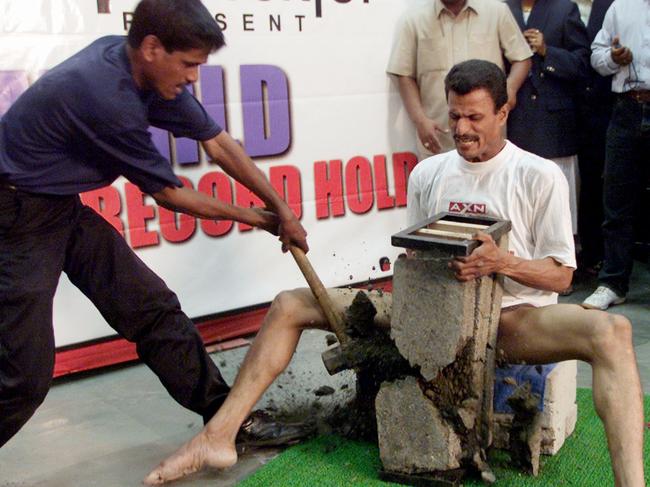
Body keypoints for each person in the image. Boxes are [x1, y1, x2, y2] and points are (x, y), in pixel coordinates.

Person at [143, 60, 645, 487]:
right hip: (424, 317)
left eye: (475, 117)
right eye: (454, 116)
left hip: (508, 320)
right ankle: (219, 436)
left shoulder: (539, 175)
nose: (462, 128)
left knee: (613, 330)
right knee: (290, 303)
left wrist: (502, 262)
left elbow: (560, 277)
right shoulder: (429, 173)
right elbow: (412, 258)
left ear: (504, 111)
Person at [0, 0, 310, 450]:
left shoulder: (142, 73)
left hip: (57, 206)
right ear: (151, 47)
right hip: (15, 216)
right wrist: (258, 219)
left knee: (152, 308)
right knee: (24, 375)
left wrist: (281, 209)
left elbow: (219, 145)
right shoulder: (105, 96)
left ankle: (228, 419)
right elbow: (171, 195)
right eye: (187, 65)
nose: (192, 78)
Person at [386, 0, 532, 160]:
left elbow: (522, 58)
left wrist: (509, 91)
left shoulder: (496, 11)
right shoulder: (414, 20)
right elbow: (403, 74)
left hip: (488, 141)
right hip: (439, 139)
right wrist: (420, 120)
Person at [582, 0, 650, 310]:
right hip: (625, 108)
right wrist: (613, 56)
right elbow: (596, 57)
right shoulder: (621, 6)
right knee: (616, 201)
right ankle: (612, 282)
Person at [505, 0, 590, 240]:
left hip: (554, 129)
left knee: (558, 213)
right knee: (517, 210)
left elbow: (583, 66)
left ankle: (560, 267)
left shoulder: (564, 9)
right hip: (513, 123)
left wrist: (547, 51)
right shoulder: (501, 9)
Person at [575, 0, 615, 277]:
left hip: (608, 105)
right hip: (563, 104)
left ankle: (597, 256)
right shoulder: (554, 5)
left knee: (601, 184)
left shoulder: (613, 4)